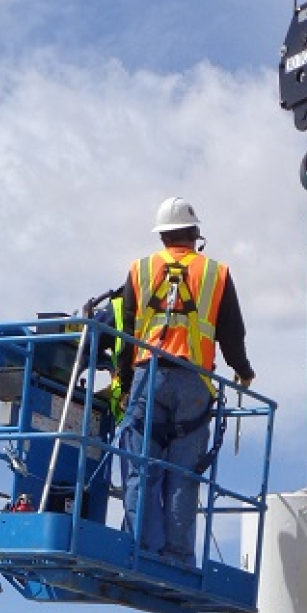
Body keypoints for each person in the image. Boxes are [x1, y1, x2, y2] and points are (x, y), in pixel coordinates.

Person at [118, 197, 254, 567]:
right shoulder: (216, 273)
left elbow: (125, 330)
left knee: (141, 465)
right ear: (195, 234)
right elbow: (231, 334)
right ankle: (177, 554)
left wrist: (125, 380)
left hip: (148, 375)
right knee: (183, 473)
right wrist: (244, 371)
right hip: (195, 381)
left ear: (161, 236)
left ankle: (142, 547)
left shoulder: (140, 269)